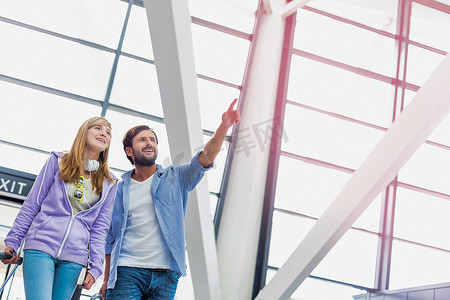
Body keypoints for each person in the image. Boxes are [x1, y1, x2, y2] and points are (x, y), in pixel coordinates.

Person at [100, 99, 241, 299]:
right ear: (129, 151)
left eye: (153, 139)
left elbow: (206, 156)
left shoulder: (177, 178)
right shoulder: (118, 190)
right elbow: (110, 239)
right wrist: (107, 279)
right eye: (142, 140)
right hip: (126, 271)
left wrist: (224, 125)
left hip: (166, 276)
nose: (149, 143)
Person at [1, 117, 118, 300]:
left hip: (75, 258)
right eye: (97, 128)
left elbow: (100, 229)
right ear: (84, 132)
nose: (104, 133)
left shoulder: (109, 183)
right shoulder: (57, 162)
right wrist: (13, 241)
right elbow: (32, 204)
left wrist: (95, 267)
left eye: (108, 132)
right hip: (40, 246)